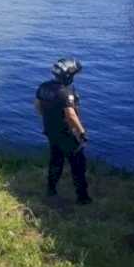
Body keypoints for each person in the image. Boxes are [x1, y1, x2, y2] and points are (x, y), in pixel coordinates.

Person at [35, 58, 91, 205]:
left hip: (51, 131)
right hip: (67, 133)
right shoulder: (65, 92)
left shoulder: (44, 87)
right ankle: (82, 198)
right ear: (68, 76)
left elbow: (38, 106)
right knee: (78, 165)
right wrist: (82, 132)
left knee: (56, 161)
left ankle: (51, 190)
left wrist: (50, 120)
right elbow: (71, 115)